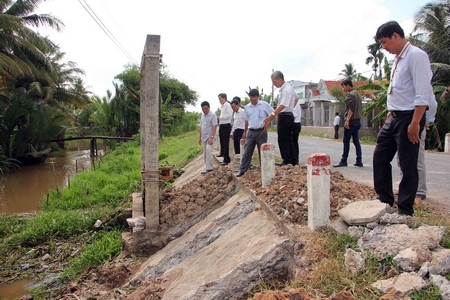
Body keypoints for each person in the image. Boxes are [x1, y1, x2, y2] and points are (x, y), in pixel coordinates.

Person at [373, 21, 432, 216]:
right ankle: (385, 199)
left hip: (410, 117)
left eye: (384, 42)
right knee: (380, 156)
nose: (384, 48)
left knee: (408, 164)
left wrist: (415, 122)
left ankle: (405, 209)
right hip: (395, 116)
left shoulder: (416, 56)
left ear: (395, 36)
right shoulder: (399, 58)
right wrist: (393, 110)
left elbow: (423, 93)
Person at [397, 94, 437, 200]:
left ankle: (420, 191)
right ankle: (405, 188)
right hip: (403, 123)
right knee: (402, 159)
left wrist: (428, 121)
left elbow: (432, 104)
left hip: (417, 125)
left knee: (417, 158)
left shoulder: (423, 88)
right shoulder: (409, 90)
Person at [236, 89, 274, 177]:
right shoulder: (247, 107)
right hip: (251, 132)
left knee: (263, 152)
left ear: (258, 97)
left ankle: (264, 170)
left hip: (261, 131)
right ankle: (242, 170)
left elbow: (273, 113)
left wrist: (268, 122)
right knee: (247, 152)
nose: (252, 99)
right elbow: (246, 120)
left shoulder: (264, 105)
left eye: (254, 97)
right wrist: (245, 132)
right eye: (251, 97)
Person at [264, 70, 297, 166]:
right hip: (288, 114)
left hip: (285, 116)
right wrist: (291, 108)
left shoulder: (286, 89)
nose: (274, 84)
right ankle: (292, 160)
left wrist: (272, 115)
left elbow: (282, 105)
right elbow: (296, 98)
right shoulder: (289, 87)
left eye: (274, 82)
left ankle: (287, 160)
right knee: (288, 138)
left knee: (283, 139)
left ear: (279, 79)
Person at [333, 79, 363, 167]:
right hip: (357, 121)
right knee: (356, 141)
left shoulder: (351, 95)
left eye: (343, 86)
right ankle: (359, 160)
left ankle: (344, 160)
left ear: (347, 85)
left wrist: (347, 120)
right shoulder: (357, 94)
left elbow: (351, 108)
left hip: (351, 122)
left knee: (346, 141)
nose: (343, 89)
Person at [198, 101, 217, 174]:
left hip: (210, 137)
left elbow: (214, 126)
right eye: (203, 109)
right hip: (204, 137)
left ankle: (210, 168)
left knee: (209, 150)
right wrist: (199, 137)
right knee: (205, 153)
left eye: (206, 109)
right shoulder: (202, 115)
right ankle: (207, 167)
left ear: (209, 107)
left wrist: (211, 137)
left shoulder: (213, 115)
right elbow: (201, 127)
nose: (204, 110)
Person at [218, 93, 232, 166]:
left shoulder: (228, 105)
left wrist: (220, 118)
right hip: (222, 125)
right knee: (222, 142)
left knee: (225, 143)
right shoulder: (222, 107)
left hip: (226, 125)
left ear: (224, 98)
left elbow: (229, 115)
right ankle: (223, 156)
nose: (219, 100)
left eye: (220, 98)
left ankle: (226, 159)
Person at [292, 100, 302, 165]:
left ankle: (294, 159)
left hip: (294, 124)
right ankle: (295, 159)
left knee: (293, 143)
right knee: (294, 142)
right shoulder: (296, 103)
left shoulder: (294, 104)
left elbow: (294, 116)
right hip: (297, 124)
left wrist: (289, 125)